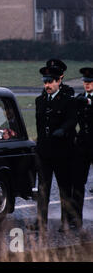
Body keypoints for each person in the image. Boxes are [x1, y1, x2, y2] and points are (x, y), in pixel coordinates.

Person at [28, 66, 77, 232]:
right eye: (45, 82)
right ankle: (41, 222)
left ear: (58, 81)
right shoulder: (40, 101)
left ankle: (65, 222)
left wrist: (63, 130)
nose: (47, 85)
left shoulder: (67, 100)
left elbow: (72, 120)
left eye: (50, 82)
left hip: (62, 152)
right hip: (44, 152)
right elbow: (40, 126)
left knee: (64, 189)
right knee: (43, 189)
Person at [71, 67, 93, 229]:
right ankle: (76, 218)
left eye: (90, 82)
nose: (87, 84)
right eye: (85, 82)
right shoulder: (80, 99)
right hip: (83, 145)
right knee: (78, 182)